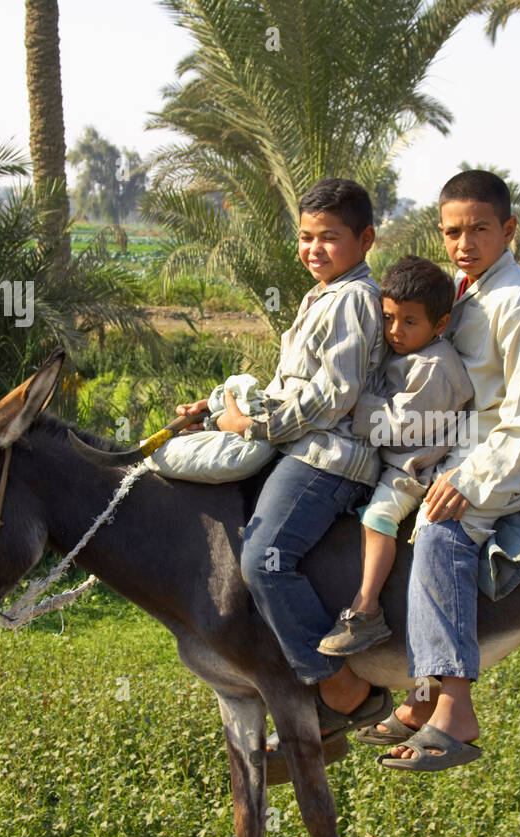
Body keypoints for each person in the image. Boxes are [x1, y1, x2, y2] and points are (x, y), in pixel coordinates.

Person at [177, 177, 392, 739]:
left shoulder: (352, 299)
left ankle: (339, 688)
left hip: (329, 457)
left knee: (263, 559)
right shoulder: (320, 295)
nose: (314, 249)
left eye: (330, 238)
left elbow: (332, 395)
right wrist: (215, 409)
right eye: (305, 237)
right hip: (301, 444)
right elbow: (292, 384)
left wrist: (253, 424)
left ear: (365, 239)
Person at [364, 169, 520, 771]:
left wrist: (468, 480)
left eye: (478, 229)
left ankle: (455, 705)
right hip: (451, 442)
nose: (464, 243)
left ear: (508, 230)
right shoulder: (462, 288)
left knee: (440, 532)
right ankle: (418, 695)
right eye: (452, 231)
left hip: (503, 452)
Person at [318, 255, 474, 656]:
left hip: (412, 467)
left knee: (377, 518)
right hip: (387, 456)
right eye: (388, 318)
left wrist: (354, 407)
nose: (394, 331)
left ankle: (366, 608)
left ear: (439, 324)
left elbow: (403, 425)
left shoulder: (437, 367)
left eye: (409, 322)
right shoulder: (405, 354)